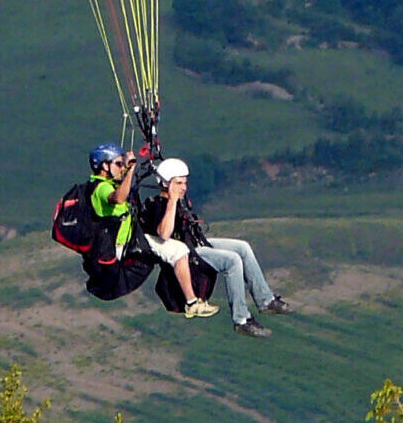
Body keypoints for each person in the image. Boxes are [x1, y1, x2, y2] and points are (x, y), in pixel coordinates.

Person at [140, 157, 290, 337]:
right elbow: (164, 234)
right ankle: (241, 319)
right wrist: (172, 201)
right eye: (178, 183)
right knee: (232, 261)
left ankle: (265, 300)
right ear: (166, 184)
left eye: (185, 183)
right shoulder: (159, 205)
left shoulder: (180, 201)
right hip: (188, 253)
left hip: (196, 242)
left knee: (242, 247)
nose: (183, 187)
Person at [88, 143, 216, 317]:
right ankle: (192, 302)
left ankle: (192, 299)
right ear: (104, 166)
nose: (122, 167)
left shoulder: (108, 184)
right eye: (118, 164)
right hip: (119, 244)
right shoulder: (101, 188)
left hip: (133, 237)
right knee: (178, 250)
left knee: (175, 247)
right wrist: (131, 170)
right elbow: (118, 198)